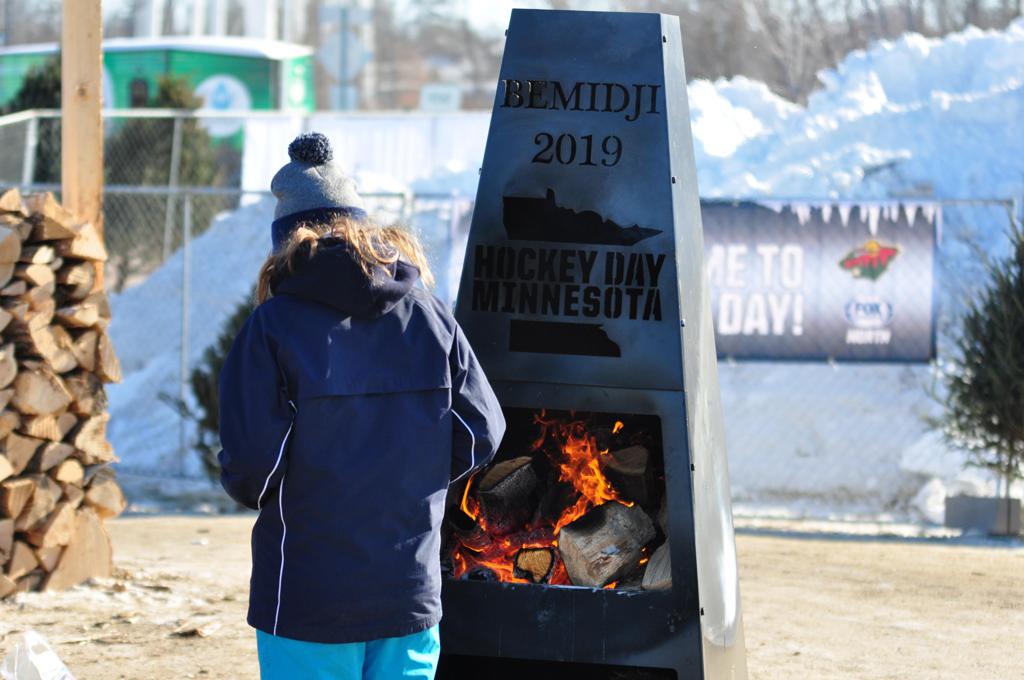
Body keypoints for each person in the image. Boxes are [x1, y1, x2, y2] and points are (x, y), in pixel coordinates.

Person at [217, 132, 505, 679]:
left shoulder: (272, 327)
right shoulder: (430, 315)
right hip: (408, 584)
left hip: (307, 590)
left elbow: (252, 466)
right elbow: (481, 430)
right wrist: (412, 481)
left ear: (286, 243)